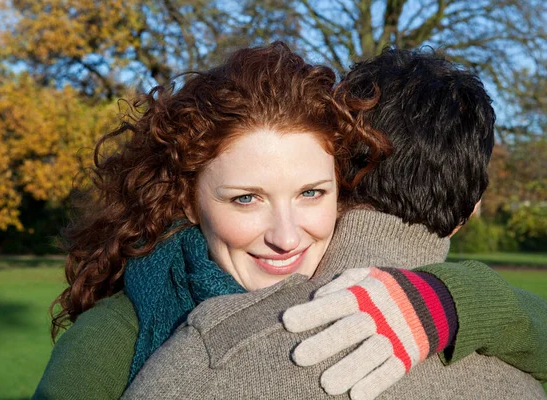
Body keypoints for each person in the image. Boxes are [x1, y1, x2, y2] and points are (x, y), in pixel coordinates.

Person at [33, 44, 546, 400]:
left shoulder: (403, 304)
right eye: (246, 199)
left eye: (310, 193)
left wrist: (450, 300)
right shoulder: (120, 332)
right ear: (189, 202)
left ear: (344, 190)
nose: (284, 236)